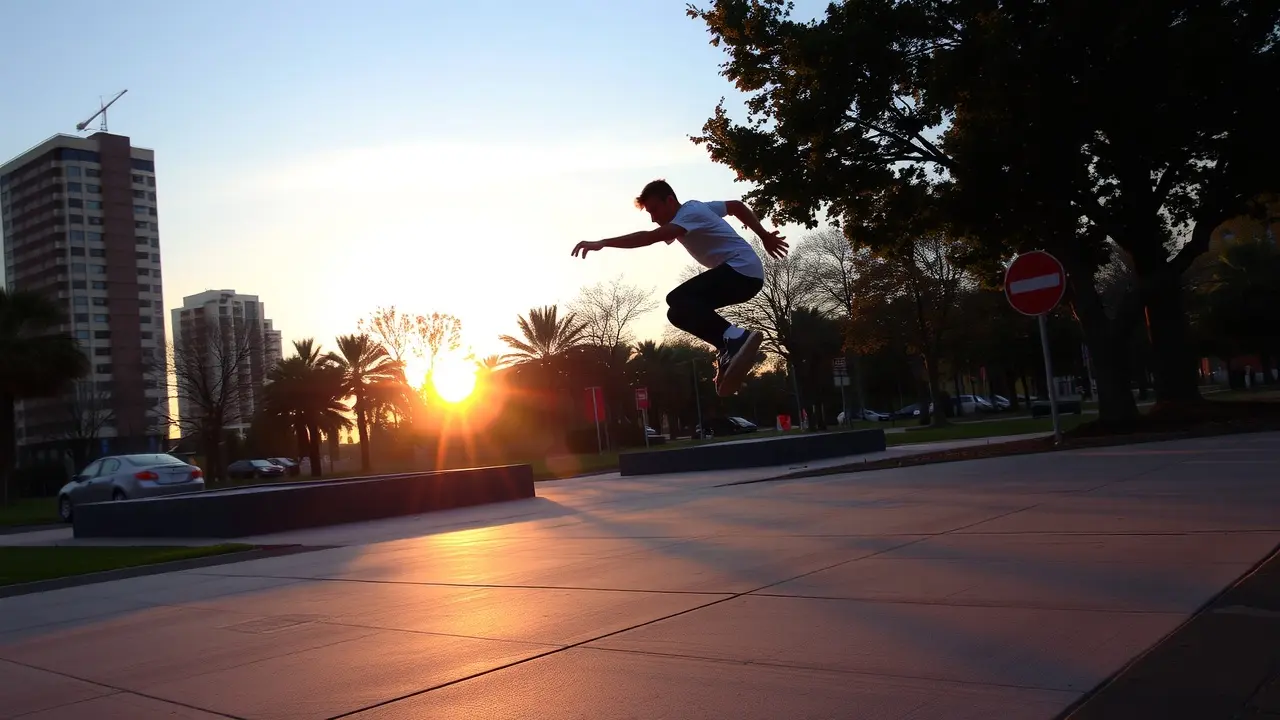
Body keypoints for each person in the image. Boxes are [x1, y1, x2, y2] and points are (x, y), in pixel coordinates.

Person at [571, 179, 788, 396]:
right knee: (677, 313)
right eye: (649, 213)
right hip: (745, 278)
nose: (654, 218)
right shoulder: (700, 208)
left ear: (670, 201)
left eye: (655, 210)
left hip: (741, 271)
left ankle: (736, 338)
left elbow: (647, 238)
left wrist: (603, 243)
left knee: (677, 298)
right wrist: (764, 235)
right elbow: (735, 207)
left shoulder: (690, 213)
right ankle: (726, 348)